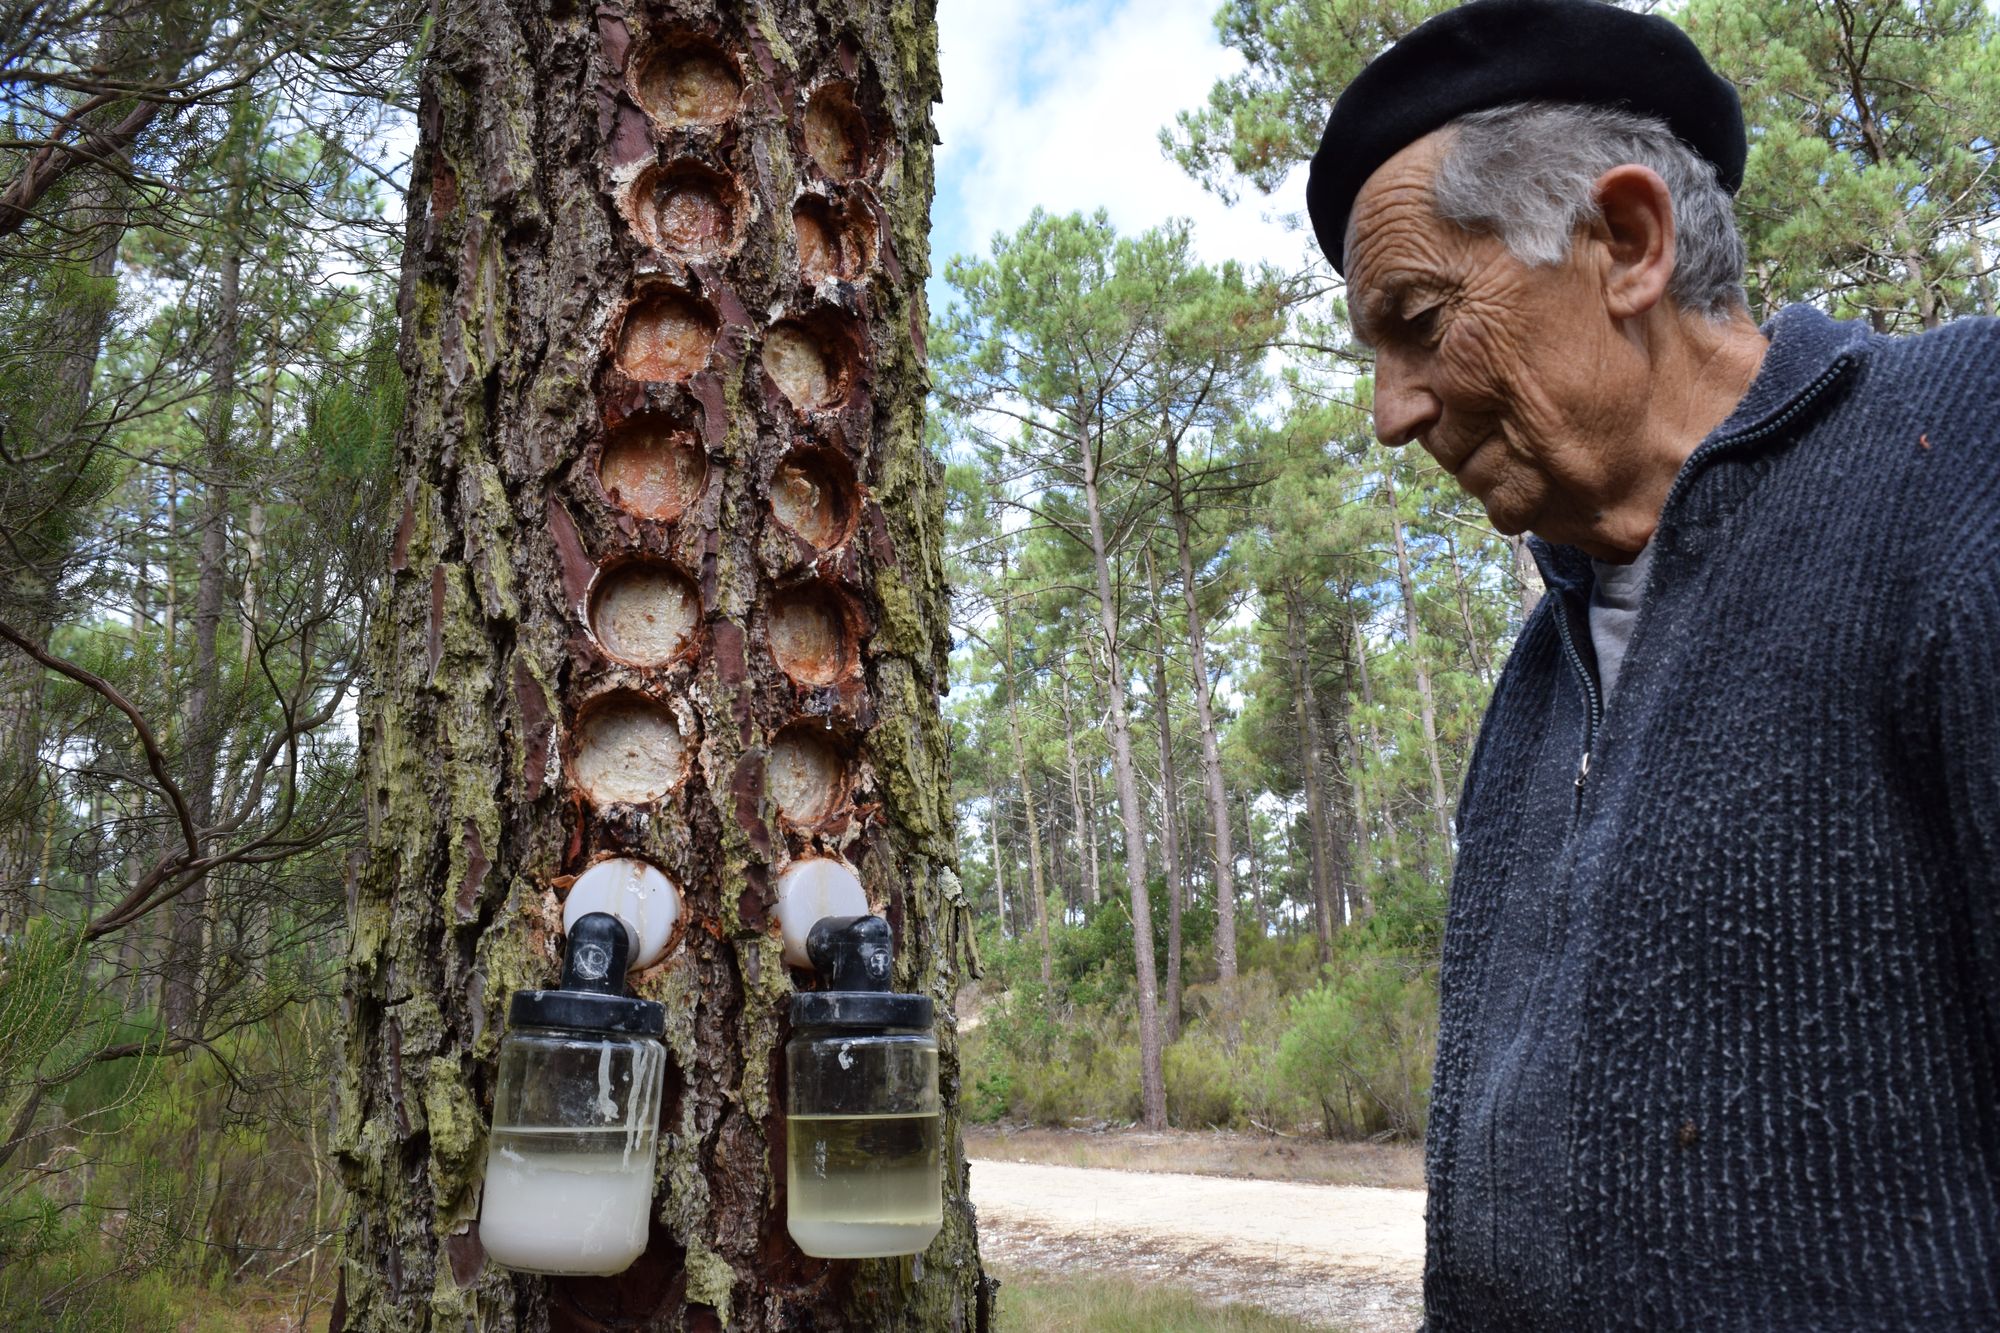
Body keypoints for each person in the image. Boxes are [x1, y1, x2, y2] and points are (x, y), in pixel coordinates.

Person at [1302, 1, 2000, 1328]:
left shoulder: (1961, 457)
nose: (1391, 414)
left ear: (1627, 242)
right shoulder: (1532, 681)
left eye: (1420, 319)